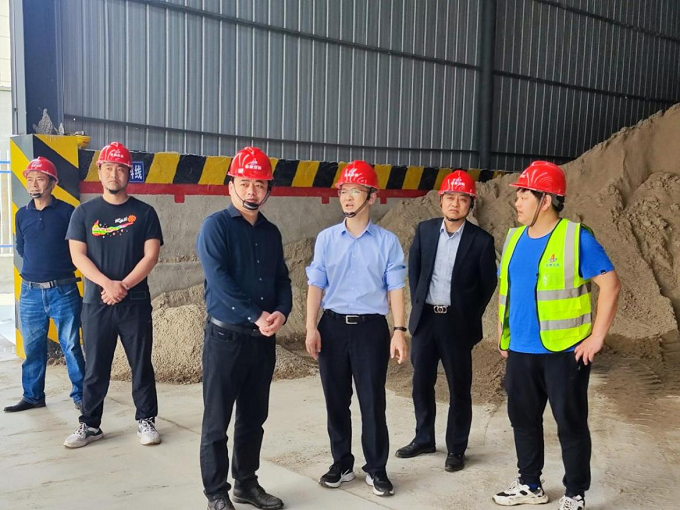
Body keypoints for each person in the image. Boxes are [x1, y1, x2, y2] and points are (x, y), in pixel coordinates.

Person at [492, 161, 621, 510]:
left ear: (545, 200)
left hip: (564, 352)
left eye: (524, 195)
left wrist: (596, 337)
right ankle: (529, 484)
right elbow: (510, 290)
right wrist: (504, 333)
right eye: (518, 195)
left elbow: (610, 285)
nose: (517, 201)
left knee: (570, 424)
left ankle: (575, 492)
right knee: (523, 420)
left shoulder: (576, 238)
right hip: (520, 350)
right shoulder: (513, 237)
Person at [305, 160, 408, 497]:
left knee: (372, 402)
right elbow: (316, 285)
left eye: (355, 191)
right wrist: (311, 327)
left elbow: (396, 288)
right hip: (332, 327)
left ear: (372, 197)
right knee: (336, 401)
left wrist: (398, 330)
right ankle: (342, 463)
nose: (347, 197)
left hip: (370, 330)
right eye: (343, 191)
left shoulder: (387, 242)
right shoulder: (326, 239)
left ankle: (376, 469)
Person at [197, 146, 291, 510]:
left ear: (268, 190)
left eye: (259, 184)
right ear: (231, 185)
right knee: (217, 421)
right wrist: (256, 314)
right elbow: (218, 280)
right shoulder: (215, 227)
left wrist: (281, 312)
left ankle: (246, 484)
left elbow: (282, 279)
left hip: (261, 342)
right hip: (226, 338)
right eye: (245, 183)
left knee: (253, 418)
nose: (252, 191)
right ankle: (216, 493)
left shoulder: (271, 232)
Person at [63, 142, 164, 449]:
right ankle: (90, 424)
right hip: (97, 304)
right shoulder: (84, 213)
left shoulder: (145, 213)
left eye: (120, 168)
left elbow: (151, 256)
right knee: (95, 367)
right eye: (108, 167)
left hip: (135, 303)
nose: (114, 174)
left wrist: (123, 286)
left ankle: (146, 420)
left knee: (141, 364)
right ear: (99, 171)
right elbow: (78, 256)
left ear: (128, 173)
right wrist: (107, 284)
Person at [395, 170, 497, 472]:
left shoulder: (481, 241)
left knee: (459, 388)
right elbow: (415, 271)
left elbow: (487, 284)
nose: (455, 203)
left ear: (470, 204)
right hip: (426, 320)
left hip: (457, 324)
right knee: (421, 383)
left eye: (462, 199)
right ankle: (423, 438)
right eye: (450, 197)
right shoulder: (425, 231)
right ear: (440, 201)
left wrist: (468, 314)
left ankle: (456, 448)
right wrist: (419, 306)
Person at [4, 157, 86, 413]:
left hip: (63, 289)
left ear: (52, 183)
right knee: (32, 348)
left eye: (40, 179)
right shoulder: (21, 215)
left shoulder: (68, 212)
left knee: (71, 346)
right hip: (30, 292)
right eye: (30, 179)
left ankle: (82, 396)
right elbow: (22, 248)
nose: (33, 184)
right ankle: (33, 396)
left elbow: (78, 248)